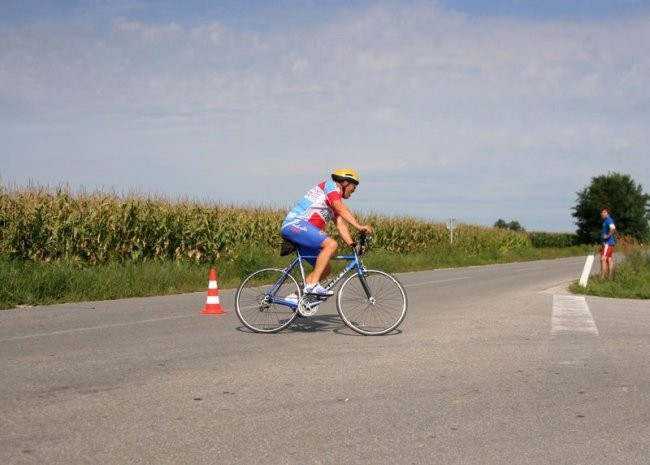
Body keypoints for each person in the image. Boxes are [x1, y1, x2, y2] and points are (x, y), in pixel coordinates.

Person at [280, 168, 373, 296]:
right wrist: (359, 226)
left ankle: (296, 297)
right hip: (295, 224)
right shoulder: (331, 186)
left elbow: (340, 224)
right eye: (354, 186)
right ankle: (312, 286)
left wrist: (352, 244)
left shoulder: (332, 202)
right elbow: (341, 208)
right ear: (345, 182)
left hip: (304, 233)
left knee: (325, 268)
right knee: (331, 244)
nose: (354, 190)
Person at [599, 208, 616, 278]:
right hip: (606, 243)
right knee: (609, 259)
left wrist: (608, 236)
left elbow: (613, 228)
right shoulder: (606, 220)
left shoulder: (609, 220)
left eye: (604, 212)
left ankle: (602, 278)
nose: (602, 214)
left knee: (603, 259)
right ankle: (610, 277)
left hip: (607, 243)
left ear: (607, 213)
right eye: (601, 212)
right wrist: (601, 243)